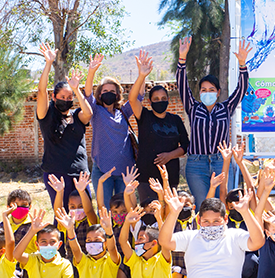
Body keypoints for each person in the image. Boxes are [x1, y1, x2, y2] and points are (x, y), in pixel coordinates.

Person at [176, 36, 252, 210]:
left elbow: (241, 89)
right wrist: (182, 59)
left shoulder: (226, 108)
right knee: (204, 205)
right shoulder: (193, 107)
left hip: (221, 162)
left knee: (223, 204)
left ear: (218, 93)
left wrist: (242, 64)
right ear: (199, 92)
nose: (207, 92)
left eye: (211, 90)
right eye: (204, 90)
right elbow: (182, 86)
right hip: (196, 163)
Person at [36, 43, 93, 209]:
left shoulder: (77, 115)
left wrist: (76, 89)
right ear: (54, 97)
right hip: (56, 174)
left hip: (80, 175)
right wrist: (48, 64)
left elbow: (88, 113)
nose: (67, 100)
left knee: (85, 214)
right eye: (63, 96)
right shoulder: (46, 116)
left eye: (70, 97)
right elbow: (41, 92)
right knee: (62, 216)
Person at [128, 50, 189, 200]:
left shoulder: (175, 120)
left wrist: (170, 155)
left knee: (169, 215)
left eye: (163, 98)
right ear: (150, 102)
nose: (160, 101)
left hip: (170, 177)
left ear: (168, 99)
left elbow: (186, 145)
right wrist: (142, 75)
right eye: (156, 98)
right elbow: (132, 99)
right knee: (150, 216)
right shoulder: (144, 116)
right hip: (146, 177)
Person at [84, 53, 138, 208]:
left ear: (117, 94)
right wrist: (91, 72)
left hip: (125, 172)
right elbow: (87, 94)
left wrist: (142, 75)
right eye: (105, 90)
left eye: (112, 91)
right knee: (105, 210)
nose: (109, 93)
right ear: (100, 93)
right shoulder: (95, 111)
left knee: (125, 209)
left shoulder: (124, 112)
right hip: (103, 171)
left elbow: (137, 97)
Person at [47, 172, 96, 261]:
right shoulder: (67, 222)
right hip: (71, 262)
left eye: (81, 206)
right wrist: (60, 192)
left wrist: (82, 191)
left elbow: (89, 211)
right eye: (72, 207)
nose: (76, 209)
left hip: (89, 262)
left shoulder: (91, 221)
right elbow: (58, 211)